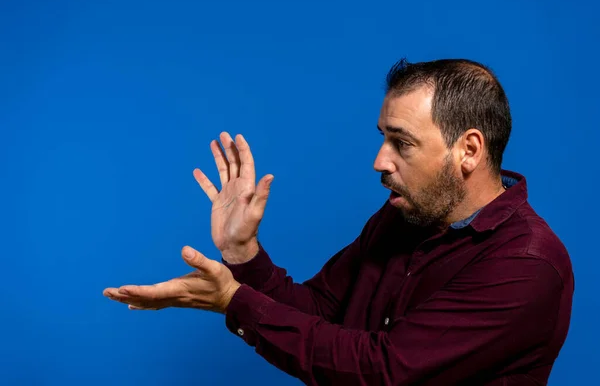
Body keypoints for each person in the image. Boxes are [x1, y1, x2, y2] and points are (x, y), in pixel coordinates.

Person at [104, 58, 574, 385]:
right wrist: (242, 253)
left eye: (402, 143)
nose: (379, 161)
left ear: (468, 150)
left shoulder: (527, 263)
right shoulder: (401, 217)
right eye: (382, 137)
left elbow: (382, 373)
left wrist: (234, 302)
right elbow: (320, 312)